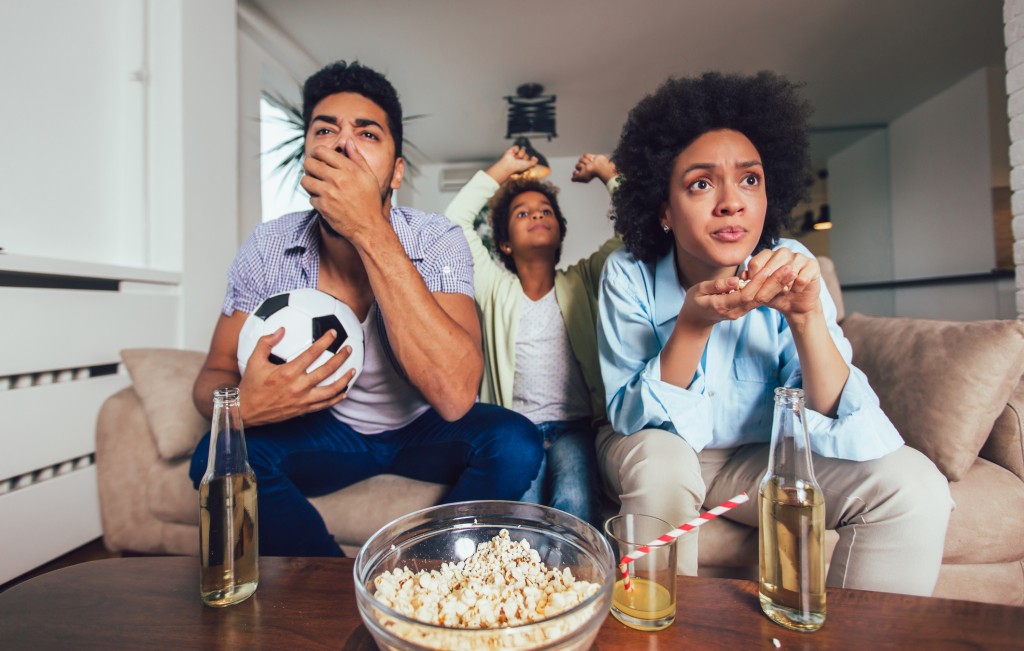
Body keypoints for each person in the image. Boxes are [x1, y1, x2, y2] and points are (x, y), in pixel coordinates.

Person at [596, 71, 952, 595]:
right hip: (653, 448)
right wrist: (693, 325)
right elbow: (632, 416)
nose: (731, 202)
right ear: (665, 211)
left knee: (915, 488)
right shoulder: (627, 272)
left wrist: (806, 319)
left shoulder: (796, 264)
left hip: (754, 459)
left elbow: (835, 415)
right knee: (666, 464)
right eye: (700, 183)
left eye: (750, 180)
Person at [189, 60, 543, 557]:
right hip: (326, 431)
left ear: (396, 171)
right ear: (307, 159)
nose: (343, 145)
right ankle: (332, 591)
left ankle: (426, 572)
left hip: (423, 427)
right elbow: (212, 376)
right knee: (214, 451)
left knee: (515, 442)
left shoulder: (435, 238)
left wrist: (368, 229)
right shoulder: (269, 246)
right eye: (325, 130)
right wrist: (242, 405)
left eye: (367, 134)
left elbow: (456, 396)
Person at [443, 147, 621, 527]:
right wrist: (503, 169)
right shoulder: (493, 288)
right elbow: (454, 223)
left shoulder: (585, 279)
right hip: (516, 431)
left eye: (545, 211)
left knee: (574, 502)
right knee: (520, 518)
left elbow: (633, 232)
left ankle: (580, 584)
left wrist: (608, 173)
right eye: (522, 213)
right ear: (504, 244)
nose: (537, 214)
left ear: (559, 232)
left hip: (575, 427)